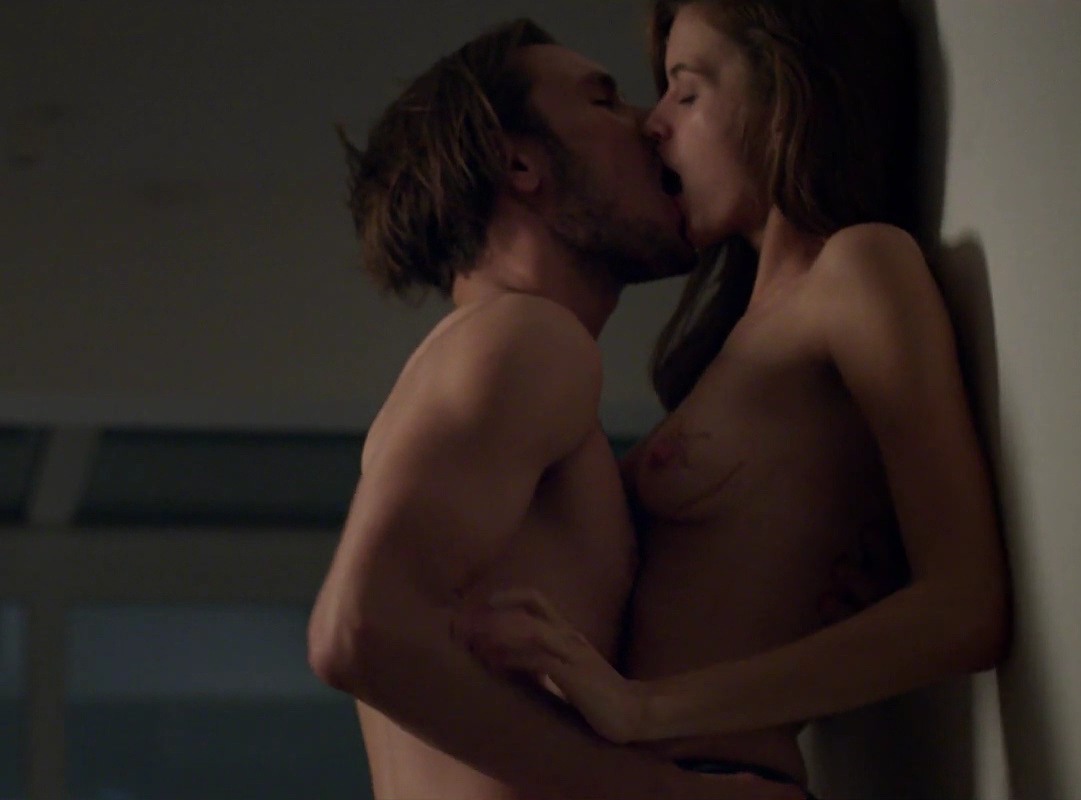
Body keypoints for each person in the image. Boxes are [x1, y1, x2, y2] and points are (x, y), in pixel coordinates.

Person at [451, 1, 1011, 796]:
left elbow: (967, 606)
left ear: (786, 97)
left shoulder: (857, 270)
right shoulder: (735, 337)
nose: (653, 124)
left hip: (717, 774)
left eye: (687, 91)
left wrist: (641, 708)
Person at [307, 18, 803, 800]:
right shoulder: (526, 337)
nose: (651, 123)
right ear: (520, 162)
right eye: (604, 101)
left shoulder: (492, 355)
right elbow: (357, 632)